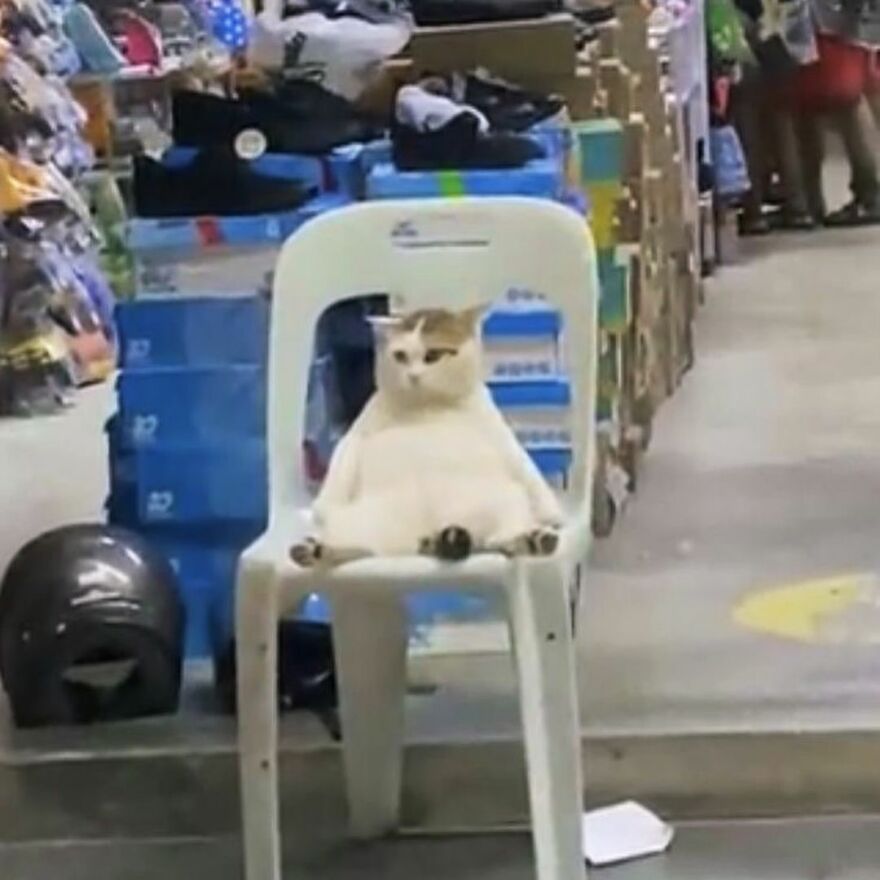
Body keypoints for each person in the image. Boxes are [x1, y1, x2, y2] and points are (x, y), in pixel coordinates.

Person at [787, 0, 880, 225]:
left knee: (842, 98)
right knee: (818, 103)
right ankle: (810, 199)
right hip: (843, 20)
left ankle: (868, 194)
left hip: (829, 20)